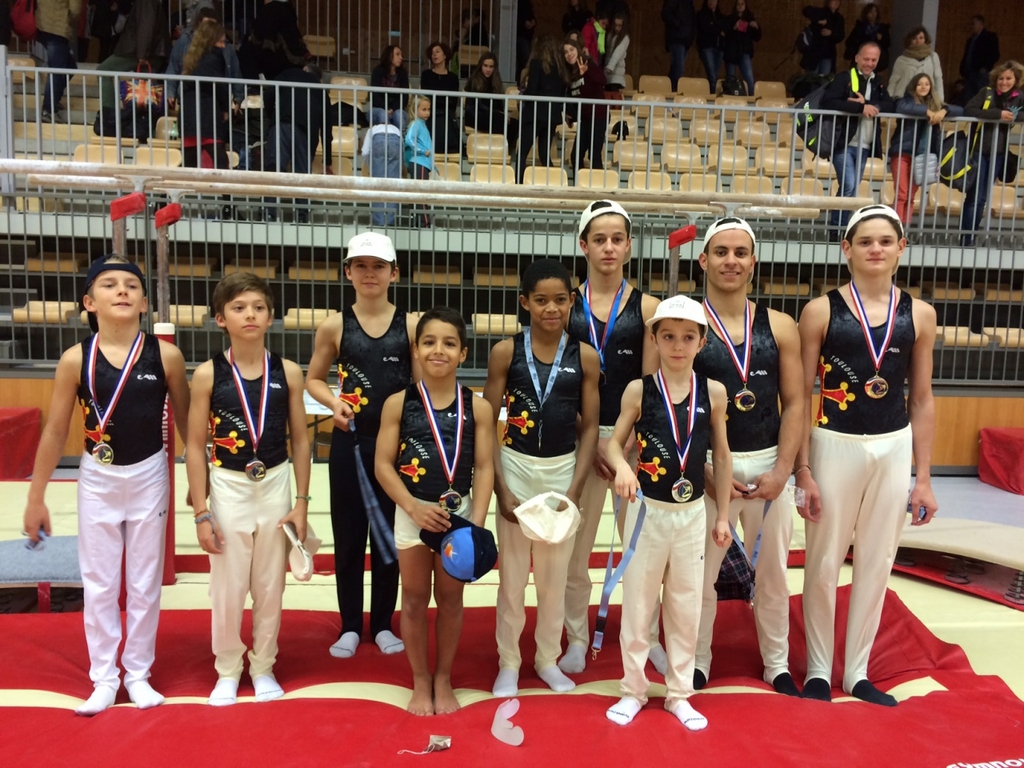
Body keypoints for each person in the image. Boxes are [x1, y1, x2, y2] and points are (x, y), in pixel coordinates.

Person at [23, 255, 190, 716]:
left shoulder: (166, 356)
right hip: (97, 478)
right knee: (99, 583)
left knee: (144, 582)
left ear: (144, 303)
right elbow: (56, 430)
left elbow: (190, 426)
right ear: (89, 302)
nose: (122, 291)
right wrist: (36, 497)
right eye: (110, 284)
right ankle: (103, 677)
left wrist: (201, 485)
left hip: (149, 475)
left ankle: (137, 673)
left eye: (131, 285)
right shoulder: (75, 359)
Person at [795, 204, 938, 707]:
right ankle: (818, 668)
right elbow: (801, 396)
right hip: (834, 442)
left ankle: (857, 670)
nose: (875, 249)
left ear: (901, 248)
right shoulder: (820, 311)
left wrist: (923, 478)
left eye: (884, 241)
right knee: (824, 559)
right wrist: (803, 468)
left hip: (893, 444)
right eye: (864, 241)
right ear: (846, 249)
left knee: (877, 561)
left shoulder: (920, 314)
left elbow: (922, 398)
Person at [604, 294, 733, 729]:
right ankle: (633, 690)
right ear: (655, 339)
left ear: (702, 342)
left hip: (692, 514)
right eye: (669, 336)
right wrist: (623, 466)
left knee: (685, 606)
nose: (678, 345)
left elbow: (722, 456)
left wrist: (722, 516)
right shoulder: (639, 390)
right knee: (639, 605)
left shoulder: (714, 392)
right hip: (647, 513)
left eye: (688, 337)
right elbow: (612, 444)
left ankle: (679, 693)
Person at [186, 272, 311, 707]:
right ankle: (227, 668)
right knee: (228, 585)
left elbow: (301, 440)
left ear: (271, 317)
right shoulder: (208, 374)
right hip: (228, 484)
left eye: (258, 307)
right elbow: (195, 445)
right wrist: (201, 511)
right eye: (239, 308)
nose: (250, 315)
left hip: (275, 482)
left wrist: (302, 501)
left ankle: (263, 666)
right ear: (221, 318)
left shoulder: (288, 372)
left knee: (270, 585)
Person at [691, 218, 803, 696]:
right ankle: (696, 660)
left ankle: (776, 662)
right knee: (700, 575)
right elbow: (668, 401)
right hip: (707, 467)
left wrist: (783, 470)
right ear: (704, 260)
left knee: (773, 573)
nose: (730, 261)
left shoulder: (780, 325)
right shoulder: (686, 324)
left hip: (767, 466)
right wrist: (699, 468)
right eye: (721, 252)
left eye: (740, 252)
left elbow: (795, 402)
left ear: (753, 261)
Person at [483, 259, 601, 698]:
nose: (551, 308)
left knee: (553, 579)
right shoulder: (505, 352)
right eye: (540, 300)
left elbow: (591, 426)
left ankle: (547, 659)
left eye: (559, 300)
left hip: (562, 470)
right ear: (524, 303)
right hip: (515, 466)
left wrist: (574, 490)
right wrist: (501, 488)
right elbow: (486, 422)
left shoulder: (584, 356)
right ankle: (509, 662)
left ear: (572, 302)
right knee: (513, 578)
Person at [375, 307, 495, 716]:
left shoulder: (478, 408)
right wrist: (412, 507)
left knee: (450, 598)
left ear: (463, 353)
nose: (438, 350)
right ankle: (420, 679)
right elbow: (383, 465)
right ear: (415, 349)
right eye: (429, 342)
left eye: (449, 343)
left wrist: (476, 523)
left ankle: (443, 677)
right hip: (412, 513)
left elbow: (485, 467)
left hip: (458, 517)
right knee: (412, 598)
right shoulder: (398, 403)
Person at [559, 200, 661, 676]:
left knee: (642, 549)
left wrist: (622, 442)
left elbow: (650, 384)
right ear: (583, 245)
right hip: (578, 436)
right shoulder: (565, 304)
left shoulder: (648, 308)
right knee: (574, 549)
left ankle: (647, 637)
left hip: (632, 440)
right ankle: (577, 636)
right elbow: (559, 379)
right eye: (599, 239)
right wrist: (590, 438)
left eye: (617, 239)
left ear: (629, 246)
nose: (608, 247)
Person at [306, 233, 419, 660]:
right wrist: (333, 402)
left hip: (396, 449)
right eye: (361, 266)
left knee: (390, 536)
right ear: (348, 272)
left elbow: (421, 386)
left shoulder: (411, 326)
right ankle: (351, 624)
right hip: (350, 443)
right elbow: (314, 378)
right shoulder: (335, 326)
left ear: (394, 273)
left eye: (378, 266)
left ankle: (384, 622)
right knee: (350, 536)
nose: (370, 274)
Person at [821, 42, 894, 233]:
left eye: (873, 60)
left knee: (851, 189)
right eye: (866, 59)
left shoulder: (878, 82)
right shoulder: (844, 78)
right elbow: (829, 101)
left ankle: (841, 229)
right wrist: (860, 108)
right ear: (857, 58)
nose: (869, 63)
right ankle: (837, 230)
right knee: (849, 185)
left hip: (865, 144)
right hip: (843, 142)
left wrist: (867, 103)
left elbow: (890, 105)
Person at [961, 61, 1024, 242]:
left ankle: (971, 237)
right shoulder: (986, 93)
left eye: (1008, 78)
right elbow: (969, 109)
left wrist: (1014, 116)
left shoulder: (1019, 97)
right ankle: (965, 240)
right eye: (1001, 78)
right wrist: (998, 115)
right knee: (974, 196)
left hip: (999, 152)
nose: (1004, 82)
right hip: (979, 150)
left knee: (982, 198)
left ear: (1016, 80)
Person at [889, 75, 962, 225]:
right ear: (913, 86)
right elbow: (901, 107)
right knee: (902, 194)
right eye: (920, 84)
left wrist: (944, 111)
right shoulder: (906, 100)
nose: (923, 87)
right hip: (903, 152)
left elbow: (960, 109)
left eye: (927, 84)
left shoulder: (935, 103)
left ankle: (905, 228)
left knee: (911, 195)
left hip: (922, 156)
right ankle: (896, 228)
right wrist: (926, 112)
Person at [95, 0, 170, 114]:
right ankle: (144, 120)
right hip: (149, 51)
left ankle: (109, 115)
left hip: (136, 51)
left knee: (103, 71)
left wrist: (142, 54)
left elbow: (146, 26)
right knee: (146, 90)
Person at [166, 7, 245, 112]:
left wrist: (238, 97)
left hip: (216, 101)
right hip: (190, 99)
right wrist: (170, 91)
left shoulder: (226, 48)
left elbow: (235, 73)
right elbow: (173, 67)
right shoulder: (185, 41)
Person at [179, 20, 233, 172]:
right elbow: (220, 86)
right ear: (211, 40)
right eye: (221, 42)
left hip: (189, 116)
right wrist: (226, 108)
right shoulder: (214, 57)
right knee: (220, 163)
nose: (223, 46)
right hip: (207, 116)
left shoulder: (192, 58)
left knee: (190, 164)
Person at [516, 35, 569, 184]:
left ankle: (518, 184)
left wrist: (523, 94)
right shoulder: (560, 67)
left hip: (535, 113)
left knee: (522, 153)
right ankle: (554, 184)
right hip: (552, 114)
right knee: (545, 155)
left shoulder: (536, 63)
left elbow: (532, 89)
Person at [564, 39, 608, 174]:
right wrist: (570, 115)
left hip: (598, 116)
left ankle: (598, 185)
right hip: (585, 119)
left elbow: (603, 80)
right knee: (575, 156)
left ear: (578, 50)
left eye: (572, 49)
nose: (569, 54)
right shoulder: (569, 73)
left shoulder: (588, 64)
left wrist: (587, 71)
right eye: (566, 52)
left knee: (594, 156)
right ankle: (579, 184)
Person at [237, 0, 309, 81]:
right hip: (292, 62)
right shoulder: (289, 10)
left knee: (246, 51)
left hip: (271, 59)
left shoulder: (270, 9)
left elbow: (259, 34)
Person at [36, 0, 81, 121]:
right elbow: (75, 9)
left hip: (42, 26)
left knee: (70, 66)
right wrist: (69, 20)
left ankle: (54, 99)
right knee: (57, 70)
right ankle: (48, 109)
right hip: (58, 28)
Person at [361, 110, 403, 226]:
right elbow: (402, 154)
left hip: (377, 139)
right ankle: (390, 221)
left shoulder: (373, 129)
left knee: (378, 186)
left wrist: (371, 167)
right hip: (395, 139)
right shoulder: (397, 129)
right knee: (393, 186)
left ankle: (379, 222)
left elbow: (365, 152)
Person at [421, 41, 461, 155]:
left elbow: (452, 103)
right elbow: (426, 98)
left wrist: (436, 99)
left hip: (446, 113)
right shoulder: (426, 75)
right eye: (432, 53)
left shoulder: (453, 78)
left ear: (445, 55)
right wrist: (442, 100)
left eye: (437, 52)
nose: (434, 54)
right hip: (430, 112)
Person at [888, 26, 944, 107]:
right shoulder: (901, 60)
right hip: (905, 99)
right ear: (909, 40)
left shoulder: (933, 57)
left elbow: (938, 79)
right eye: (914, 38)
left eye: (921, 38)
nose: (918, 41)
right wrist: (889, 100)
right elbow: (893, 81)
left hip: (928, 99)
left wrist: (940, 101)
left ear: (925, 39)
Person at [405, 94, 435, 228]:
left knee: (421, 194)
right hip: (419, 162)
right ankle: (424, 224)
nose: (427, 112)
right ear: (415, 109)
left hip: (423, 163)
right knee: (421, 194)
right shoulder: (416, 123)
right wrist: (422, 151)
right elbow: (408, 140)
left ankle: (418, 223)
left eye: (429, 109)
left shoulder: (422, 125)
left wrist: (433, 165)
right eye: (424, 109)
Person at [722, 0, 760, 97]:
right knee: (730, 80)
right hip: (731, 53)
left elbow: (757, 38)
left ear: (745, 6)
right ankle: (729, 100)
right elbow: (725, 35)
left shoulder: (750, 19)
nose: (740, 6)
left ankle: (751, 100)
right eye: (738, 4)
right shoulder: (729, 19)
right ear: (735, 6)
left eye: (742, 4)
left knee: (749, 79)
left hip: (744, 52)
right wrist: (734, 27)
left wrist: (756, 27)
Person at [959, 15, 1001, 104]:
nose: (971, 26)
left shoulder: (989, 37)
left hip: (981, 73)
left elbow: (995, 54)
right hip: (969, 73)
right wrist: (962, 70)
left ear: (980, 24)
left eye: (973, 24)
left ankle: (985, 111)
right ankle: (970, 112)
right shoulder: (970, 40)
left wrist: (985, 67)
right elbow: (967, 56)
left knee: (983, 96)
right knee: (969, 97)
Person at [370, 45, 411, 132]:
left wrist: (393, 109)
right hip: (379, 108)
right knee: (382, 114)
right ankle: (383, 138)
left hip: (397, 109)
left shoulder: (403, 73)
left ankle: (403, 139)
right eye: (397, 54)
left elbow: (404, 97)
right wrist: (386, 108)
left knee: (398, 114)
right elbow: (375, 95)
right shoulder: (377, 71)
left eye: (401, 55)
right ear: (389, 55)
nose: (401, 58)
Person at [843, 3, 889, 74]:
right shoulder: (860, 28)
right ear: (866, 14)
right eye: (870, 12)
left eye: (875, 11)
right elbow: (849, 42)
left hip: (875, 60)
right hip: (861, 58)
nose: (873, 14)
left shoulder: (882, 29)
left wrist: (881, 39)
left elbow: (887, 43)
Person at [801, 0, 844, 77]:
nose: (837, 2)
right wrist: (818, 20)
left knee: (824, 80)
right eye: (834, 0)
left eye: (838, 0)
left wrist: (831, 34)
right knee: (811, 79)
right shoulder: (821, 12)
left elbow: (841, 36)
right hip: (814, 51)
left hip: (828, 54)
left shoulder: (839, 18)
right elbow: (806, 10)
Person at [662, 0, 696, 92]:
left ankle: (669, 89)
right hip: (677, 37)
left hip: (685, 38)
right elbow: (665, 14)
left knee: (675, 67)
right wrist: (678, 24)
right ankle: (676, 91)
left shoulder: (690, 2)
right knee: (679, 68)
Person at [695, 0, 726, 95]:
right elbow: (705, 28)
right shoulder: (701, 14)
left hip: (719, 48)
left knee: (714, 75)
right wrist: (718, 31)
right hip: (707, 47)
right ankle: (713, 97)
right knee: (712, 76)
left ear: (717, 2)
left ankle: (711, 95)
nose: (711, 2)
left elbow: (725, 29)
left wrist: (714, 27)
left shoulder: (721, 16)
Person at [603, 12, 630, 96]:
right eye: (615, 25)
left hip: (616, 77)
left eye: (619, 25)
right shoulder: (610, 35)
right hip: (608, 75)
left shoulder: (625, 38)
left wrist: (610, 66)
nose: (617, 28)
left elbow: (617, 53)